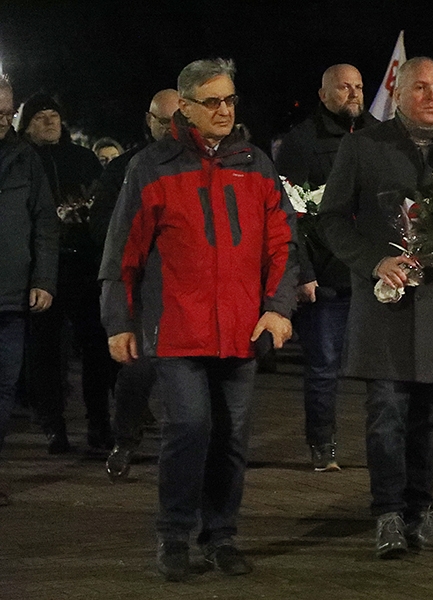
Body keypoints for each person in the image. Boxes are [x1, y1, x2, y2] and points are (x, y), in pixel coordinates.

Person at [99, 58, 298, 581]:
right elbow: (123, 252)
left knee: (232, 436)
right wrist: (118, 321)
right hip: (177, 329)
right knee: (189, 427)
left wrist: (277, 309)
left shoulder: (256, 164)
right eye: (212, 101)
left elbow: (284, 246)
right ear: (183, 107)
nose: (224, 110)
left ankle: (221, 535)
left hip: (241, 331)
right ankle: (173, 535)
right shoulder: (151, 167)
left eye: (230, 99)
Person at [317, 57, 433, 559]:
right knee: (386, 417)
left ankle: (424, 513)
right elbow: (331, 219)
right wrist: (373, 261)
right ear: (397, 93)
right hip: (385, 308)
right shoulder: (363, 146)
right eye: (421, 87)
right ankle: (388, 517)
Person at [275, 64, 378, 472]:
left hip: (375, 273)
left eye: (358, 87)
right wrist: (302, 271)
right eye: (343, 88)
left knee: (385, 367)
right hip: (328, 275)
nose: (353, 94)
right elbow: (289, 212)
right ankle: (322, 444)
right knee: (323, 366)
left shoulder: (379, 134)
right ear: (322, 95)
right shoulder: (300, 142)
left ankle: (394, 438)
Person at [90, 89, 180, 479]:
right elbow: (105, 229)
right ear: (149, 121)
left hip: (185, 290)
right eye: (164, 121)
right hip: (144, 287)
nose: (171, 129)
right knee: (137, 371)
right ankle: (124, 441)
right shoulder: (129, 167)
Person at [19, 93, 111, 453]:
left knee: (95, 348)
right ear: (26, 124)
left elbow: (101, 203)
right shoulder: (24, 160)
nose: (49, 121)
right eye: (40, 116)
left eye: (53, 114)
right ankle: (53, 424)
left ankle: (99, 422)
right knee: (47, 352)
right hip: (43, 268)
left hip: (83, 264)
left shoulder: (83, 158)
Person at [0, 79, 59, 506]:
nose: (3, 122)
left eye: (6, 113)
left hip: (11, 295)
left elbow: (44, 224)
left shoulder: (26, 160)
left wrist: (43, 280)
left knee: (3, 387)